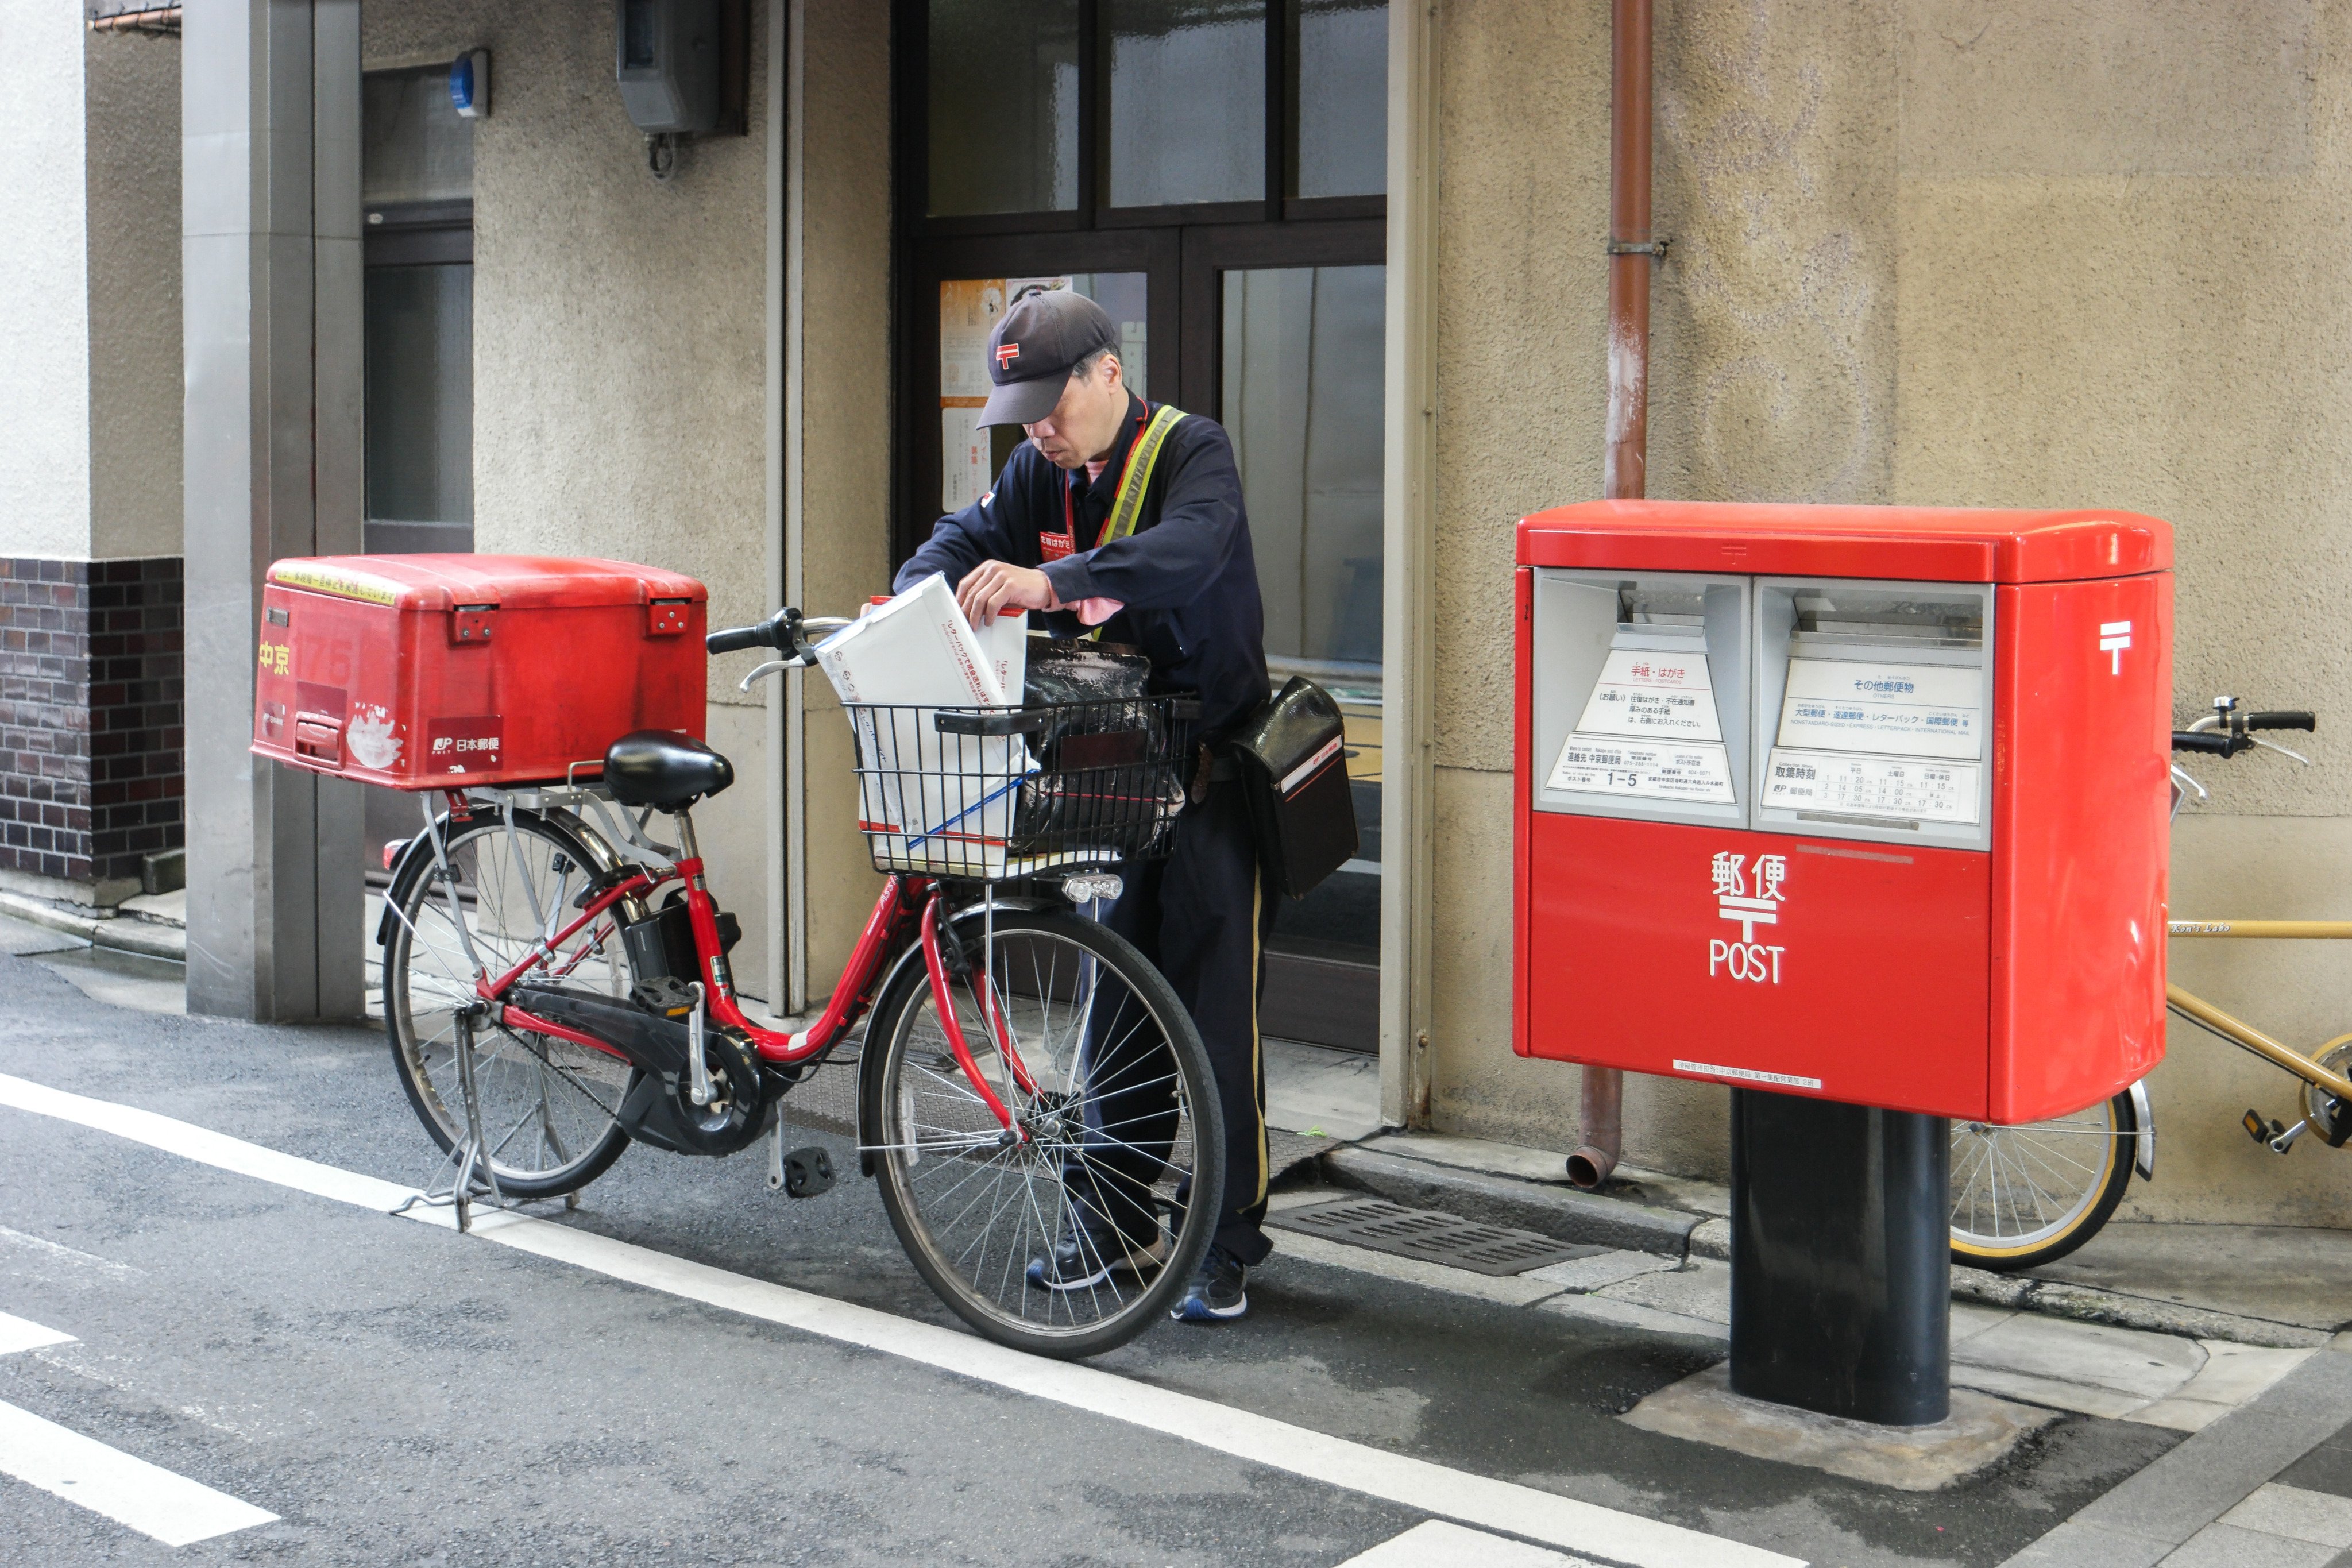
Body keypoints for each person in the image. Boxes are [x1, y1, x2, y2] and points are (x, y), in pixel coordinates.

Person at [894, 289, 1273, 1323]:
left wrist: (1050, 582)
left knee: (1210, 1011)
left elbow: (1191, 552)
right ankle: (1112, 1222)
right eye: (1023, 413)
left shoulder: (1193, 451)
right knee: (1118, 1003)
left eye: (1052, 406)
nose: (1040, 433)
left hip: (1207, 774)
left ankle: (1227, 1239)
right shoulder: (1036, 470)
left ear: (1109, 372)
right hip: (1109, 773)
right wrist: (912, 600)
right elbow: (961, 537)